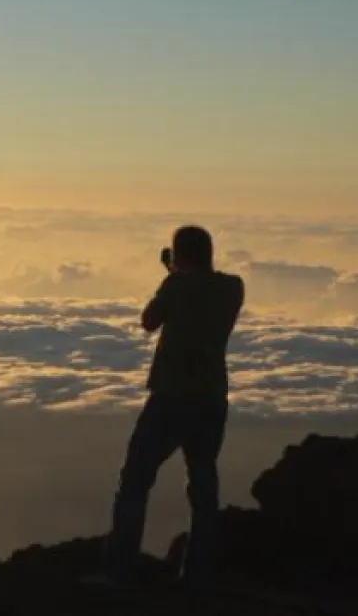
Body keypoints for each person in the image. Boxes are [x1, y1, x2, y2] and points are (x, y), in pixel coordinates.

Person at [92, 225, 244, 587]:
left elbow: (149, 321)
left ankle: (119, 570)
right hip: (211, 400)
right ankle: (199, 574)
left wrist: (172, 277)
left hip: (172, 398)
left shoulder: (177, 286)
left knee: (134, 482)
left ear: (180, 256)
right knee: (203, 486)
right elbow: (201, 294)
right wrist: (178, 273)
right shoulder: (233, 287)